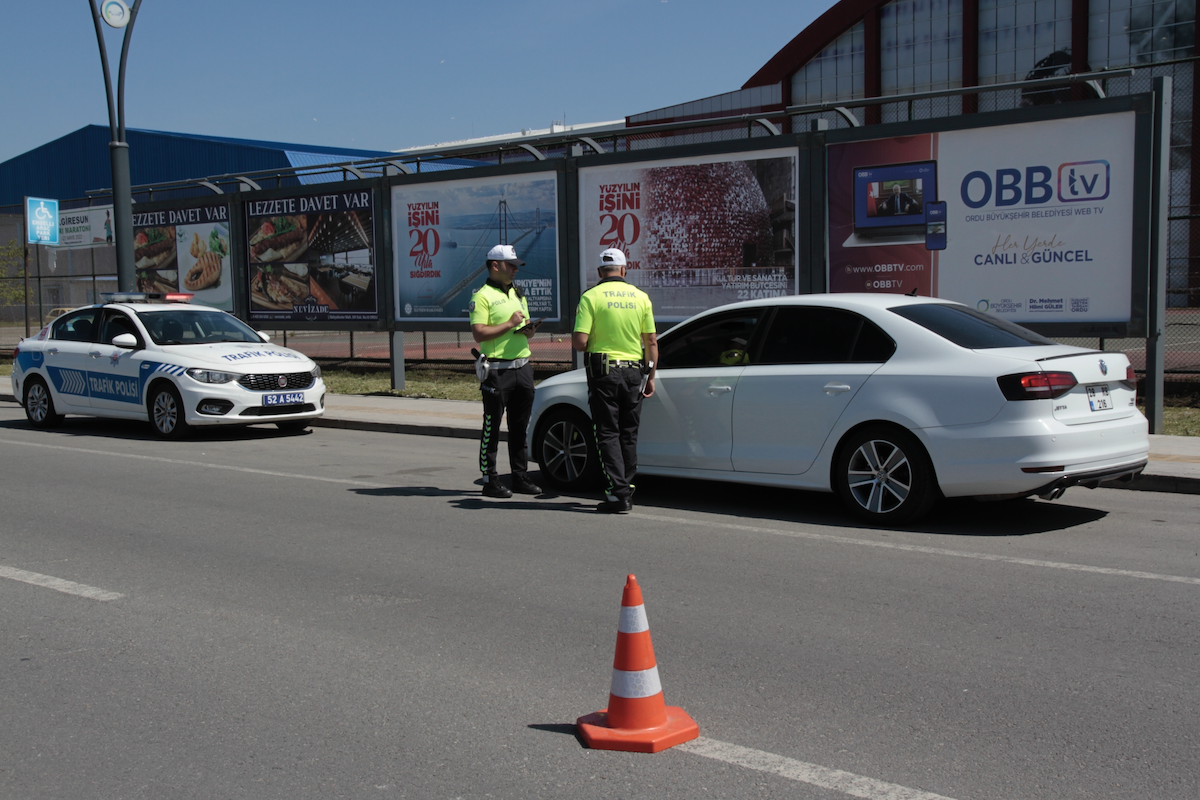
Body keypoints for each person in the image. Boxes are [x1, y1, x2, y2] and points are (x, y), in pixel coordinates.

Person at [572, 248, 657, 514]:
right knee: (629, 433)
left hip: (604, 373)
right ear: (624, 269)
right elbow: (651, 341)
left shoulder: (590, 297)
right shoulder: (641, 297)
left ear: (599, 272)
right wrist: (650, 375)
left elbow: (580, 343)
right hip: (634, 372)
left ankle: (617, 494)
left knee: (607, 433)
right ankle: (627, 489)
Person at [469, 243, 542, 498]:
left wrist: (528, 331)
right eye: (510, 265)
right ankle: (490, 479)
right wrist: (510, 323)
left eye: (516, 266)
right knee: (491, 425)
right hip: (497, 371)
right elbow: (479, 333)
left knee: (520, 427)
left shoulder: (517, 294)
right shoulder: (482, 297)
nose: (514, 270)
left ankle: (520, 477)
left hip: (522, 367)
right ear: (495, 265)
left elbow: (520, 329)